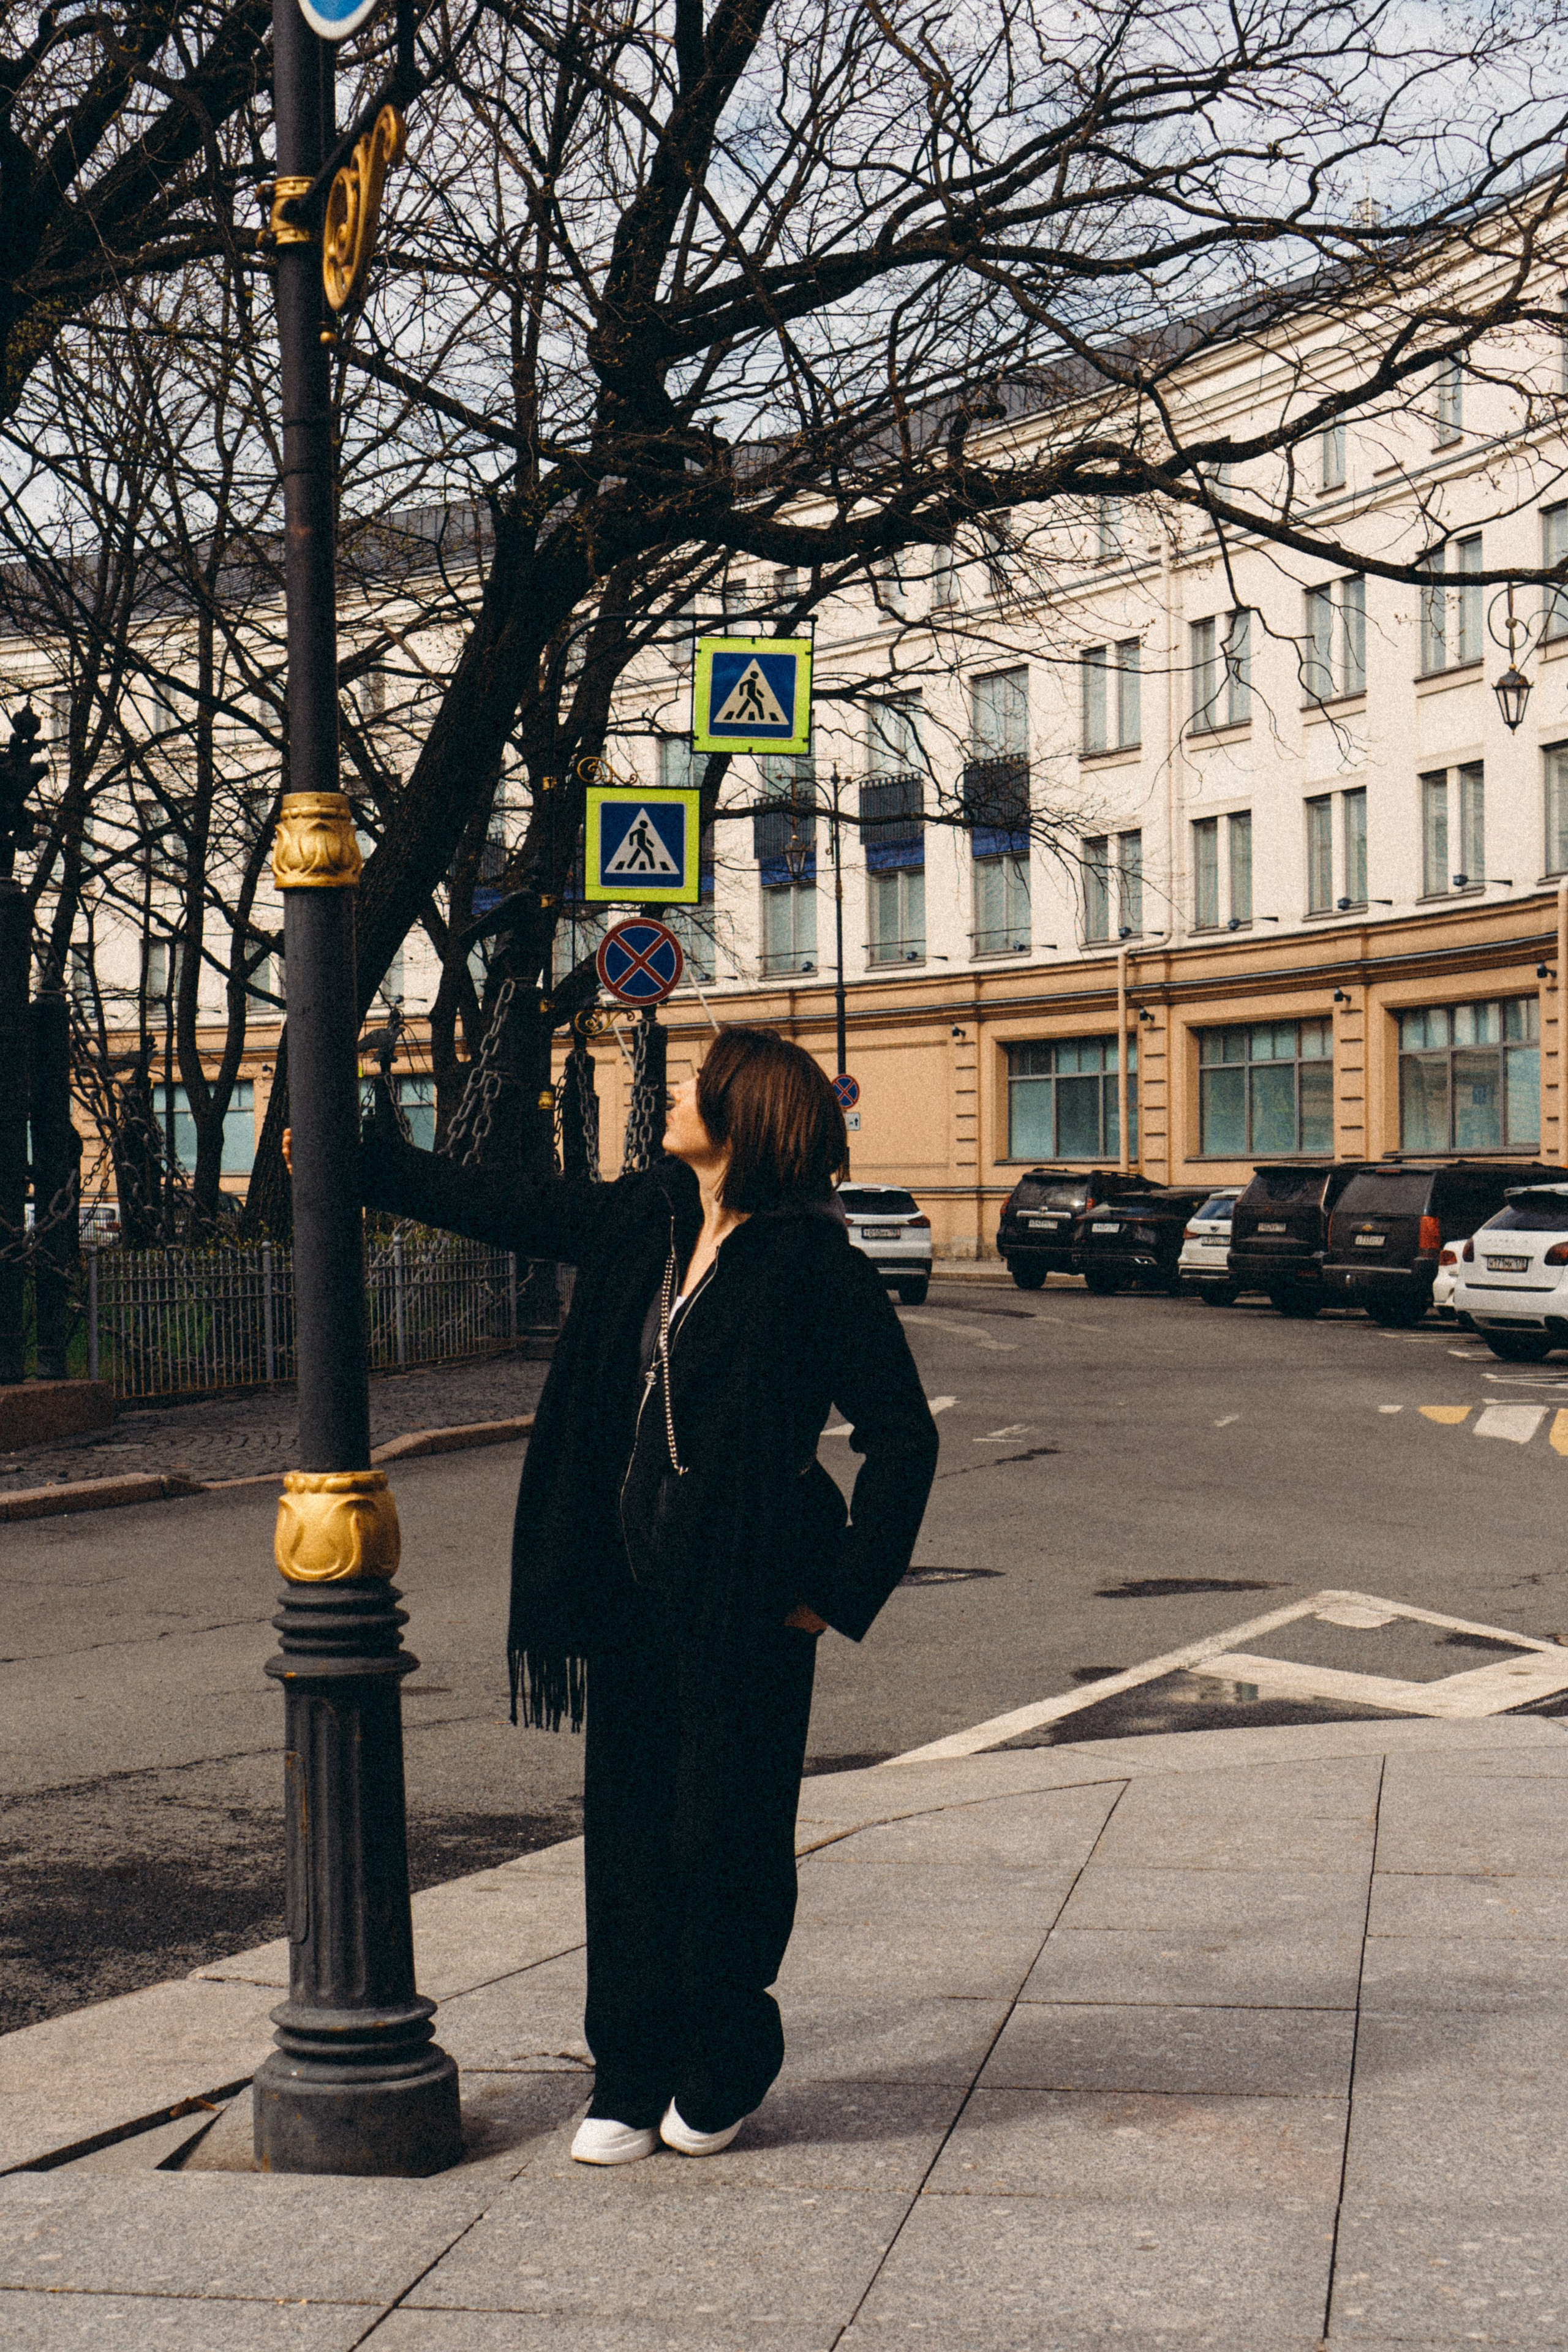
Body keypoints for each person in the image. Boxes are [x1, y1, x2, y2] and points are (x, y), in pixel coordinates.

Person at [292, 1025, 938, 2164]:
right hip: (626, 1589)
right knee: (630, 1838)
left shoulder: (813, 1265)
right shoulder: (649, 1220)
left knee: (726, 1836)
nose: (674, 1096)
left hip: (750, 1596)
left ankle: (723, 2057)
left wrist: (832, 1596)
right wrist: (363, 1161)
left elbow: (903, 1440)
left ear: (745, 1120)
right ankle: (629, 2074)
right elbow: (512, 1206)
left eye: (695, 1085)